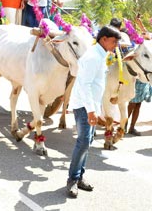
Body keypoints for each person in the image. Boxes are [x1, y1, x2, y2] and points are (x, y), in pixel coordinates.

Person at [66, 25, 121, 198]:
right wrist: (91, 111)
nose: (116, 46)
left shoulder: (100, 55)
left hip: (90, 105)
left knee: (87, 141)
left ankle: (79, 176)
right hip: (83, 106)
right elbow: (84, 85)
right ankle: (73, 180)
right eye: (114, 42)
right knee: (83, 142)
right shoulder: (93, 57)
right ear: (103, 39)